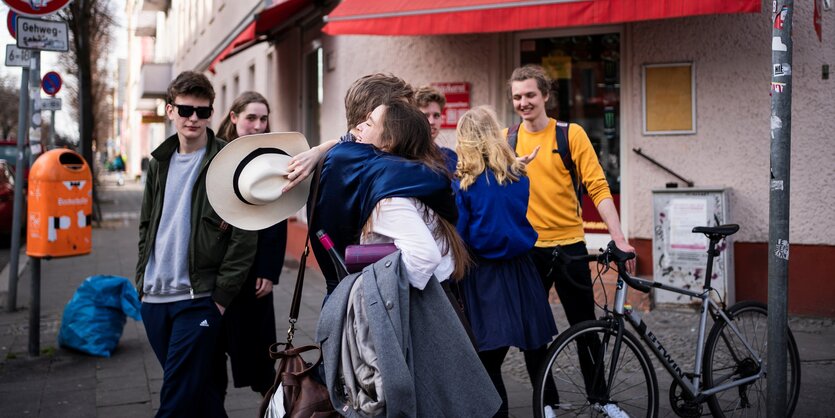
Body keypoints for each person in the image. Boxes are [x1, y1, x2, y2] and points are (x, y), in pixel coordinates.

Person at [316, 100, 501, 417]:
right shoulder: (408, 176)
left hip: (424, 313)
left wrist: (380, 299)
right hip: (441, 304)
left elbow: (423, 257)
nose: (360, 126)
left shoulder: (390, 196)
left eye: (370, 122)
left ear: (388, 141)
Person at [507, 64, 635, 415]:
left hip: (569, 247)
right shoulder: (508, 140)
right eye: (517, 96)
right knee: (533, 332)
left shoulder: (569, 134)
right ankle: (546, 402)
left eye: (530, 94)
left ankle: (601, 399)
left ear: (546, 95)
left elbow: (597, 186)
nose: (523, 102)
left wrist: (619, 238)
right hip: (528, 250)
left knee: (585, 328)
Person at [136, 71, 256, 418]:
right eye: (186, 110)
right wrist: (141, 281)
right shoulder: (159, 162)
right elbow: (146, 224)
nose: (194, 119)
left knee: (175, 399)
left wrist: (220, 298)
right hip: (155, 299)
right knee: (199, 391)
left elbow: (245, 233)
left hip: (198, 300)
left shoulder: (227, 160)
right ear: (170, 110)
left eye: (203, 112)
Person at [454, 106, 558, 417]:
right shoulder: (518, 176)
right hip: (522, 269)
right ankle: (549, 409)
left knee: (489, 359)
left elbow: (461, 233)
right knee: (536, 349)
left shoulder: (464, 183)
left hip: (483, 273)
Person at [214, 91, 287, 396]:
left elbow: (277, 216)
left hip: (255, 270)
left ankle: (271, 409)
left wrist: (269, 271)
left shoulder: (271, 156)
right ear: (234, 118)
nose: (258, 125)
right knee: (212, 353)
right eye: (251, 117)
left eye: (263, 118)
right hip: (216, 269)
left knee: (261, 358)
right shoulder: (215, 153)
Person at [415, 85, 457, 172]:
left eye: (436, 115)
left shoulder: (450, 158)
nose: (432, 122)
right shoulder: (402, 158)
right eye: (426, 115)